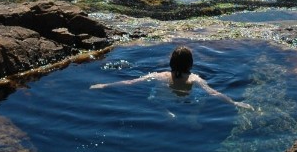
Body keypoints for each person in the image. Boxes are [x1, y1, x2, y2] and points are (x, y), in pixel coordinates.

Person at [91, 45, 253, 110]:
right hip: (185, 101)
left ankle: (165, 112)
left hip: (161, 100)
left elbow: (130, 82)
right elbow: (214, 93)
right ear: (190, 65)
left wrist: (104, 85)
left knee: (154, 98)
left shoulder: (159, 75)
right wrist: (235, 102)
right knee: (200, 100)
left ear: (170, 63)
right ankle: (193, 119)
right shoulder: (195, 79)